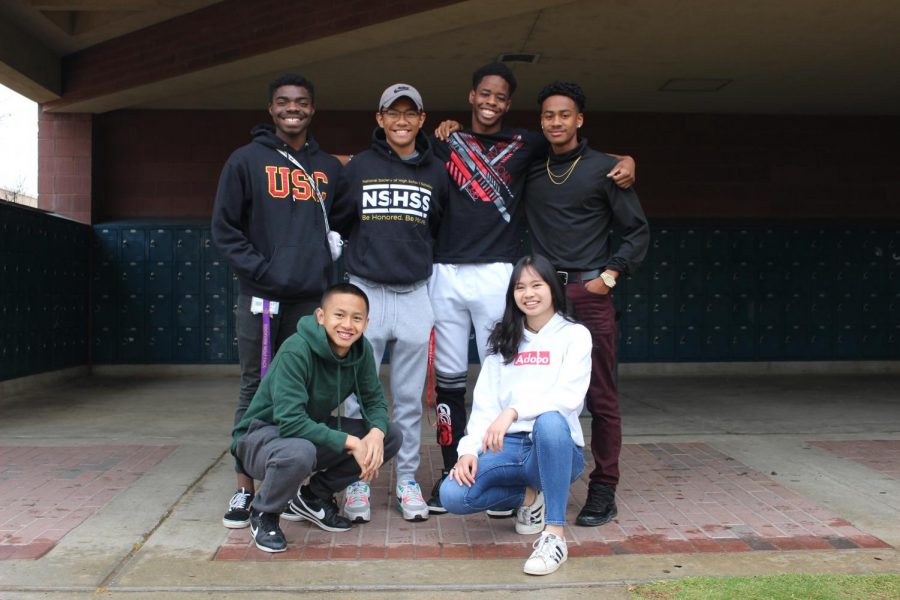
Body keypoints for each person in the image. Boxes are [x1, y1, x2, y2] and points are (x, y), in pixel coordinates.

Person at [426, 62, 635, 515]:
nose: (491, 102)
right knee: (471, 382)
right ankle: (464, 467)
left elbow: (588, 163)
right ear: (471, 95)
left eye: (501, 97)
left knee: (558, 388)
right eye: (485, 94)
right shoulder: (465, 144)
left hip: (541, 281)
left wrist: (627, 161)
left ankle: (581, 483)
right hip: (488, 282)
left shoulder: (542, 148)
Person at [212, 74, 343, 529]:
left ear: (312, 109)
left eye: (302, 102)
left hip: (311, 298)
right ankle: (245, 487)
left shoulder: (326, 167)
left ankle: (299, 488)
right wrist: (264, 270)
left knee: (308, 390)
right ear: (271, 109)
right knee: (255, 387)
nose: (293, 108)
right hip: (262, 299)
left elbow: (343, 221)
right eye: (284, 102)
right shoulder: (245, 160)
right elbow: (225, 229)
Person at [524, 81, 650, 527]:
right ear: (541, 122)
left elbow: (637, 231)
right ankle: (536, 487)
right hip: (542, 299)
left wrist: (609, 276)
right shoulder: (531, 166)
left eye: (565, 115)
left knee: (600, 396)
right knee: (538, 394)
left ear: (580, 119)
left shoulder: (606, 169)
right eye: (548, 116)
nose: (556, 122)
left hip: (588, 292)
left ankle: (604, 489)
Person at [330, 83, 446, 522]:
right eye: (392, 113)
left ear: (421, 119)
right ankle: (359, 481)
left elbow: (438, 225)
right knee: (359, 398)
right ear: (379, 119)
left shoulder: (435, 170)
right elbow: (340, 220)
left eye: (409, 113)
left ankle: (407, 480)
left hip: (415, 292)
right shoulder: (359, 167)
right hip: (366, 293)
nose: (401, 120)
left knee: (410, 398)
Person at [440, 255, 591, 575]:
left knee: (550, 420)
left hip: (555, 446)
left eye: (537, 284)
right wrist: (467, 450)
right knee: (452, 494)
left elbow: (569, 398)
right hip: (507, 448)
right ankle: (529, 495)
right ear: (512, 295)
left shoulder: (574, 335)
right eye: (520, 287)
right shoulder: (505, 339)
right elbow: (484, 406)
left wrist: (513, 411)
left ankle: (555, 536)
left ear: (552, 288)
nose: (529, 293)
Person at [231, 283, 402, 552]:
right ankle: (264, 513)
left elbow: (374, 400)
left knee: (390, 435)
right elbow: (290, 421)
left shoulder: (361, 350)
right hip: (261, 437)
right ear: (321, 317)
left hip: (305, 437)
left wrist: (376, 433)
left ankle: (312, 497)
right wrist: (353, 442)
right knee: (300, 451)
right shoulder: (296, 350)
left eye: (356, 318)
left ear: (366, 323)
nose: (347, 325)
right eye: (339, 315)